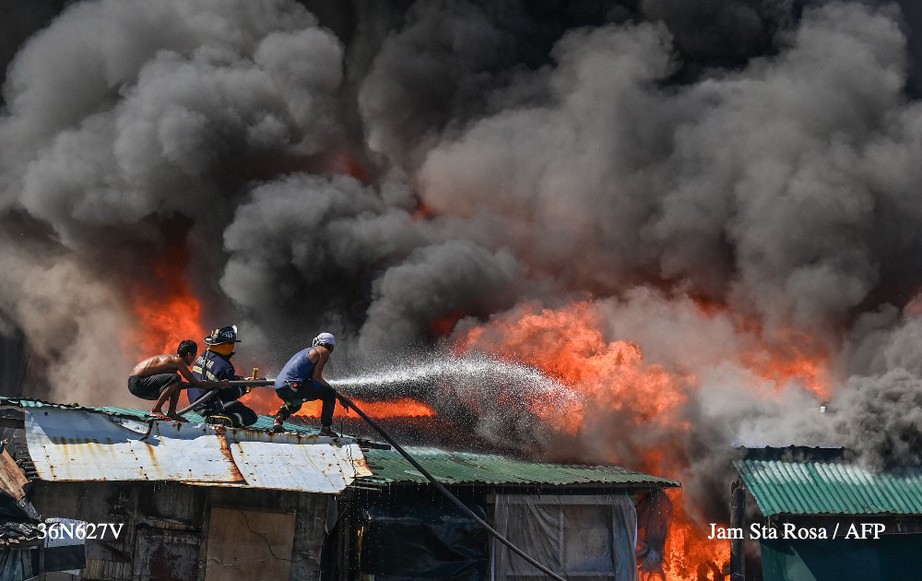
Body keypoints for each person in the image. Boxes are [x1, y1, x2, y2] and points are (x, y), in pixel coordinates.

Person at [128, 340, 225, 421]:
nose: (194, 359)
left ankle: (172, 413)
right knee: (176, 378)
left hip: (138, 384)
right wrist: (219, 384)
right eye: (194, 356)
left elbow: (180, 385)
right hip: (137, 382)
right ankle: (156, 410)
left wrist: (210, 384)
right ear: (188, 354)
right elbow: (195, 383)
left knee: (176, 381)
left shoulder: (173, 362)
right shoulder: (177, 361)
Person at [272, 332, 343, 436]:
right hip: (294, 387)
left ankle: (278, 420)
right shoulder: (323, 351)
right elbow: (317, 378)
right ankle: (326, 428)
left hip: (280, 387)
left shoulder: (305, 351)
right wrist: (336, 393)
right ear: (330, 346)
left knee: (296, 403)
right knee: (329, 393)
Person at [187, 325, 258, 427]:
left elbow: (219, 378)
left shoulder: (204, 355)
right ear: (227, 345)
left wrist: (243, 380)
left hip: (195, 401)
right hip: (209, 404)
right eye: (232, 343)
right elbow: (229, 394)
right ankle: (223, 420)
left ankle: (217, 416)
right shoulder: (225, 365)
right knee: (250, 416)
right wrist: (244, 387)